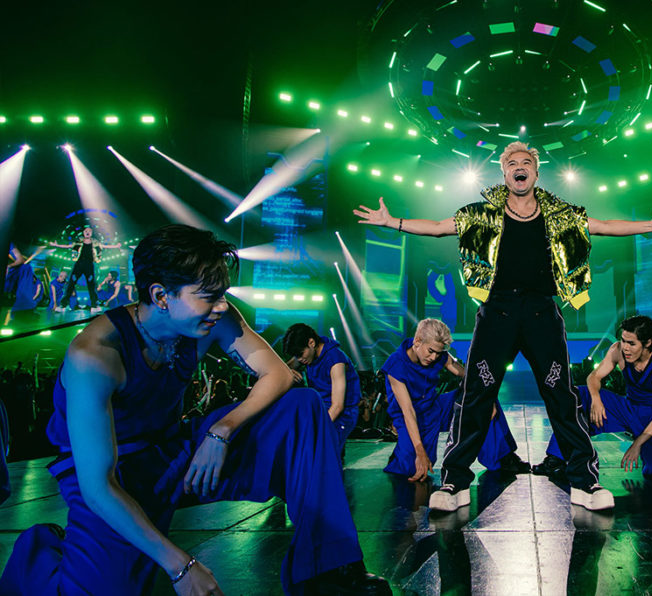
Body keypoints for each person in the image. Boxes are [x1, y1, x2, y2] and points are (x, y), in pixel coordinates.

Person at [0, 224, 389, 596]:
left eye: (223, 293)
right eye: (209, 295)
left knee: (302, 407)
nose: (221, 306)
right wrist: (181, 566)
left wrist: (223, 430)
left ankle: (328, 569)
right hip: (112, 476)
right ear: (161, 295)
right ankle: (38, 552)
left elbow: (279, 375)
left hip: (174, 453)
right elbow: (98, 485)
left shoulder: (212, 319)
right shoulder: (96, 355)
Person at [354, 141, 652, 512]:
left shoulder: (559, 213)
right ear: (505, 174)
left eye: (526, 163)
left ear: (535, 173)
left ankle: (585, 481)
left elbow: (602, 226)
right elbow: (439, 228)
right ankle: (455, 482)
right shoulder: (481, 213)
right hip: (497, 313)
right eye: (511, 163)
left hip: (541, 313)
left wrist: (650, 226)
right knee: (476, 395)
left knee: (561, 396)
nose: (519, 167)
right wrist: (392, 222)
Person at [380, 318, 528, 480]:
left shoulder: (438, 354)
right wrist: (420, 451)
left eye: (438, 353)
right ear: (417, 341)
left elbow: (469, 377)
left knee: (481, 398)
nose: (434, 357)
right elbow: (408, 411)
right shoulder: (395, 365)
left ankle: (504, 457)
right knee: (413, 467)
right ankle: (399, 455)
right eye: (431, 351)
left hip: (435, 407)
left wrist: (486, 397)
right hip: (410, 416)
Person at [533, 315, 652, 479]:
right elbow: (593, 377)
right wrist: (596, 399)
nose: (625, 348)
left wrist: (637, 444)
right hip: (627, 409)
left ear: (648, 343)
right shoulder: (617, 350)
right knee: (581, 395)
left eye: (631, 343)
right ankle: (555, 459)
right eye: (623, 340)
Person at [281, 323, 362, 460]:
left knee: (321, 454)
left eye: (300, 355)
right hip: (319, 408)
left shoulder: (335, 360)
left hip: (342, 413)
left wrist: (317, 429)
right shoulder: (306, 354)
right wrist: (288, 372)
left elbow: (338, 406)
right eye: (296, 356)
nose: (299, 359)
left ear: (311, 343)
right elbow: (283, 369)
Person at [49, 227, 123, 313]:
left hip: (89, 265)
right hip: (79, 265)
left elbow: (105, 246)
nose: (87, 232)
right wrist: (56, 245)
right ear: (83, 232)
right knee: (71, 284)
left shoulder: (95, 243)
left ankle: (94, 306)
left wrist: (116, 246)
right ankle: (63, 305)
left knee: (92, 285)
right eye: (86, 231)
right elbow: (68, 246)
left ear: (91, 233)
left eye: (89, 231)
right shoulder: (78, 242)